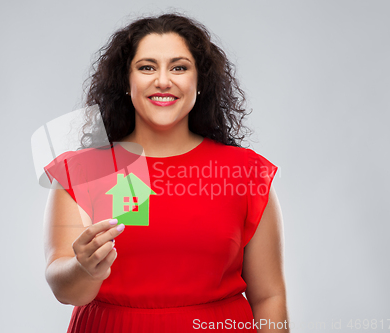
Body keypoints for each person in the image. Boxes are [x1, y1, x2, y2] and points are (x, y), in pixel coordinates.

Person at [43, 12, 289, 333]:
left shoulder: (245, 173)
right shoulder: (87, 171)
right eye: (147, 67)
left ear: (199, 81)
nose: (163, 80)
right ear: (125, 82)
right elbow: (66, 290)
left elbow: (269, 295)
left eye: (179, 67)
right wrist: (84, 267)